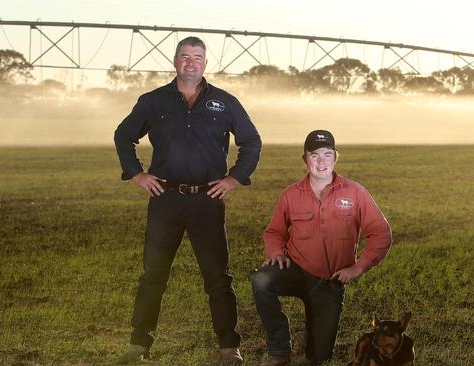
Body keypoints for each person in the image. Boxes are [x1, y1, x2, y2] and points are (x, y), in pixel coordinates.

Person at [114, 36, 261, 365]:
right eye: (184, 56)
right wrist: (136, 174)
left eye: (197, 57)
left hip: (207, 201)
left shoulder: (224, 102)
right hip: (164, 199)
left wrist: (235, 178)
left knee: (218, 277)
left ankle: (228, 347)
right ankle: (138, 344)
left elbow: (251, 141)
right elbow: (123, 135)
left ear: (206, 63)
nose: (190, 62)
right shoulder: (153, 101)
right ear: (175, 61)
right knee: (153, 275)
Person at [251, 130, 392, 366]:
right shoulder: (291, 194)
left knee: (318, 357)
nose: (321, 161)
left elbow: (381, 232)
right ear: (305, 160)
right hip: (297, 270)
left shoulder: (355, 192)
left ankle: (313, 336)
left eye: (327, 154)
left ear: (336, 157)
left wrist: (358, 268)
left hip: (331, 280)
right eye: (314, 155)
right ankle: (279, 350)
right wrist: (276, 252)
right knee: (261, 280)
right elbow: (274, 231)